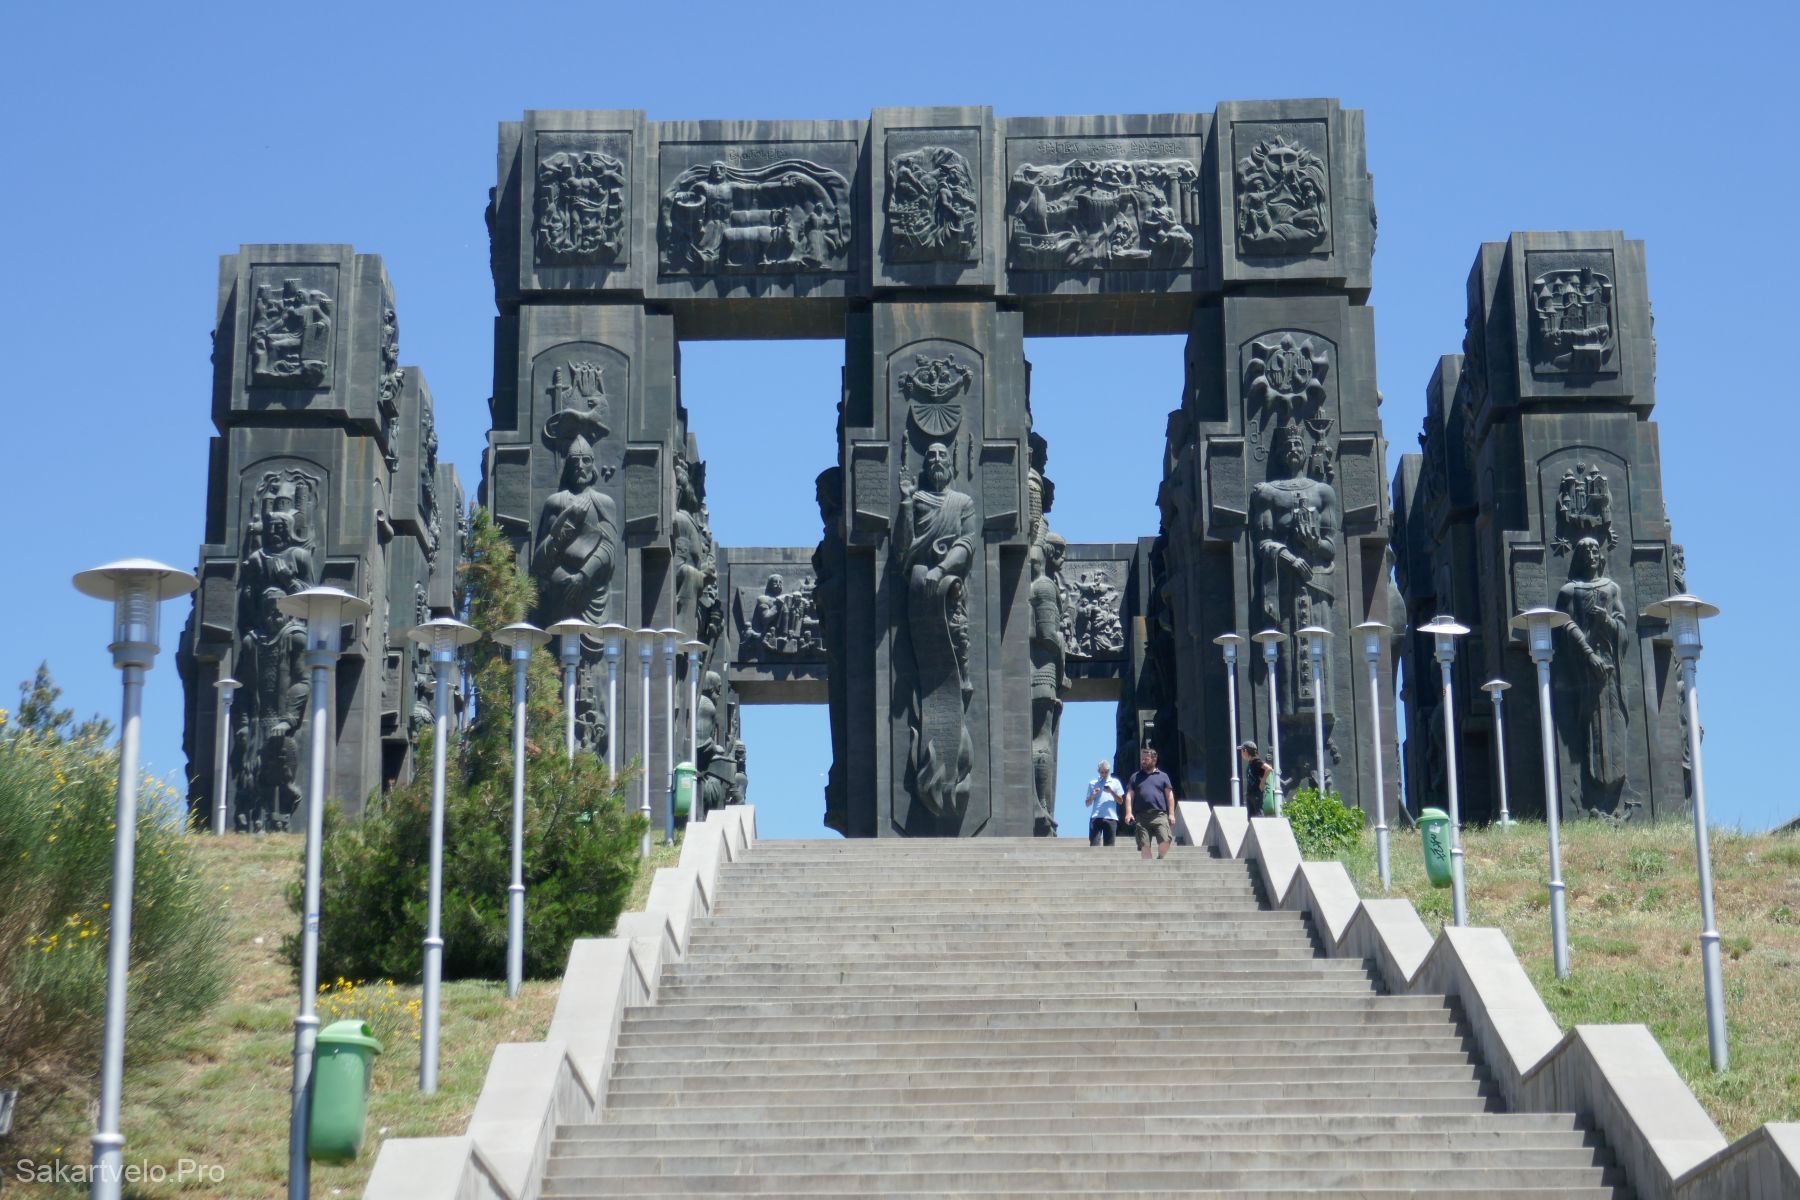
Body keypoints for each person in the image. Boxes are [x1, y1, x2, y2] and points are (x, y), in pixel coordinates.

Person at [1123, 746, 1176, 860]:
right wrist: (1128, 813)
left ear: (1154, 760)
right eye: (1142, 758)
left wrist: (1171, 814)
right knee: (1144, 846)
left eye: (1146, 759)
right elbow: (1129, 795)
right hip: (1141, 817)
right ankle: (1149, 867)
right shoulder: (1135, 777)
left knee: (1166, 840)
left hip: (1160, 815)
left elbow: (1169, 795)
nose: (1143, 761)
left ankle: (1160, 858)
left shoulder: (1163, 776)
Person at [1084, 759, 1124, 846]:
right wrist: (1093, 795)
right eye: (1102, 772)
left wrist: (1111, 792)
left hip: (1111, 817)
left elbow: (1120, 801)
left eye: (1106, 772)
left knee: (1109, 846)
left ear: (1109, 771)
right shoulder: (1092, 783)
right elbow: (1087, 804)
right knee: (1094, 844)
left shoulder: (1115, 782)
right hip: (1096, 817)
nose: (1104, 774)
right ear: (1099, 771)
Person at [1240, 741, 1273, 817]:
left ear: (1246, 751)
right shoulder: (1251, 762)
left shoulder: (1257, 762)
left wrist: (1263, 782)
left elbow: (1269, 768)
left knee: (1259, 815)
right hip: (1250, 794)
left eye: (1242, 751)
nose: (1241, 754)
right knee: (1250, 817)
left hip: (1256, 794)